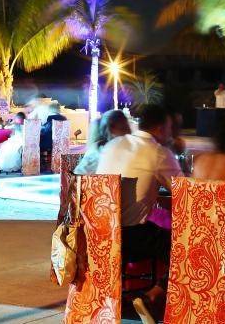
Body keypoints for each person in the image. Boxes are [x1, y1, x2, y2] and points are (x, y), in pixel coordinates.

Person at [96, 104, 182, 322]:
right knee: (186, 245)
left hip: (99, 235)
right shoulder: (158, 152)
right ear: (161, 128)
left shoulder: (113, 144)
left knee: (153, 228)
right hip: (131, 238)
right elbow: (185, 193)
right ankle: (152, 296)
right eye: (170, 128)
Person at [74, 110, 130, 175]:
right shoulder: (106, 151)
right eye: (124, 129)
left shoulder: (97, 146)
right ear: (112, 130)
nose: (128, 132)